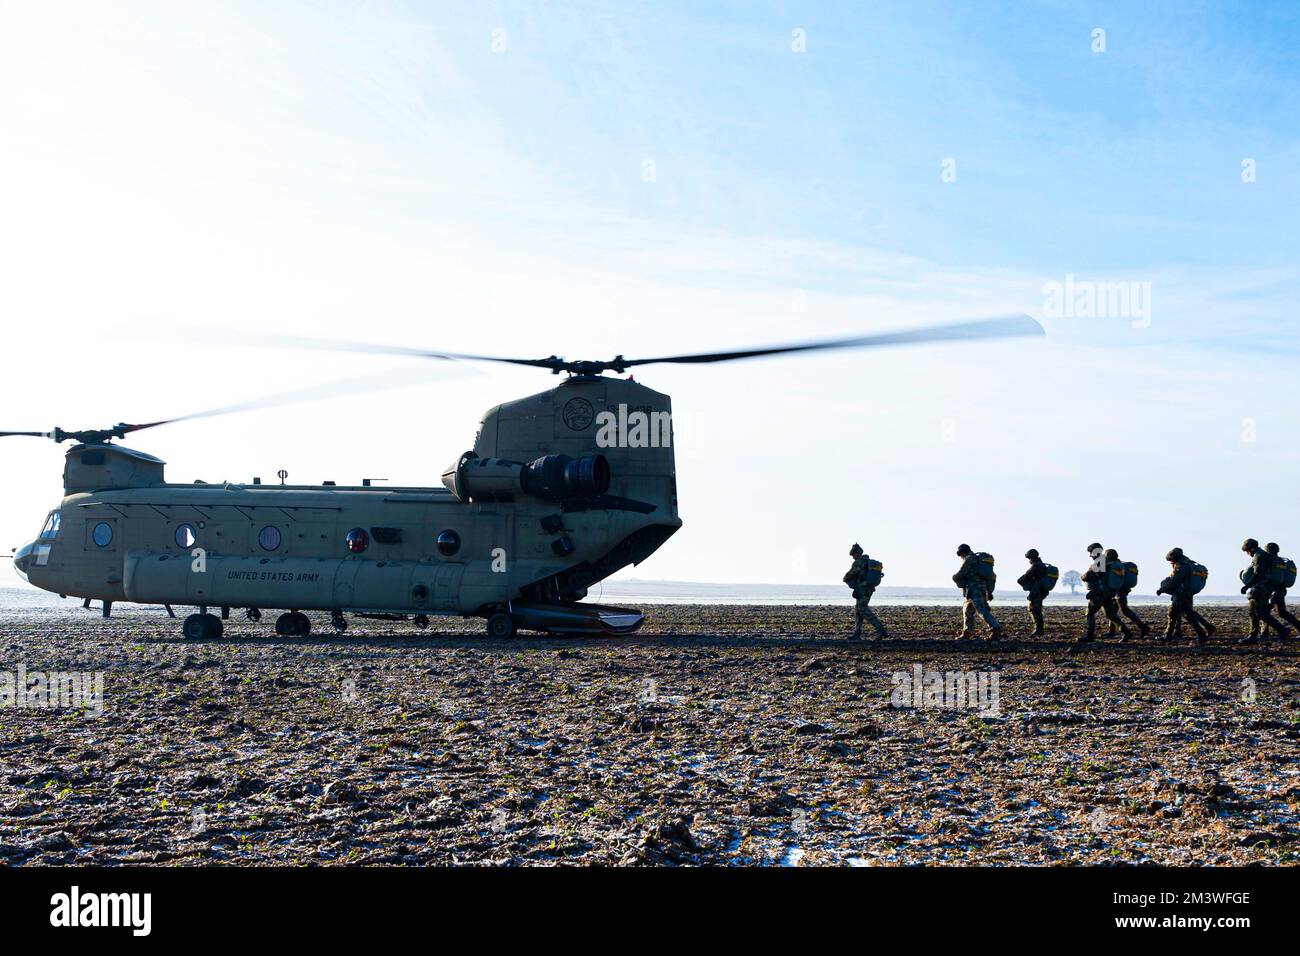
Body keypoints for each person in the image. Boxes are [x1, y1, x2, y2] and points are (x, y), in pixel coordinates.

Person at [1155, 547, 1215, 643]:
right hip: (1188, 593)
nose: (1171, 563)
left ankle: (1169, 636)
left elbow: (1175, 580)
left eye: (1171, 561)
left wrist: (1162, 589)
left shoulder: (1182, 566)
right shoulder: (1189, 563)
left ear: (1174, 559)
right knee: (1188, 613)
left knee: (1173, 613)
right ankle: (1207, 629)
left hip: (1181, 594)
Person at [1237, 538, 1290, 644]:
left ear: (1251, 549)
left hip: (1261, 589)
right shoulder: (1263, 555)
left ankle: (1282, 630)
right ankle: (1253, 636)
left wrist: (1246, 586)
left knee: (1261, 613)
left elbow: (1258, 574)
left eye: (1247, 551)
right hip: (1263, 588)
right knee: (1253, 612)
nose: (1247, 554)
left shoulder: (1259, 556)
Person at [1079, 542, 1132, 644]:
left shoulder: (1100, 561)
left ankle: (1090, 636)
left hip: (1100, 593)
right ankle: (1126, 632)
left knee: (1089, 612)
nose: (1090, 555)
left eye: (1091, 552)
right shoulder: (1106, 561)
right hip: (1108, 593)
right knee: (1111, 615)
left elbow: (1088, 576)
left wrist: (1083, 576)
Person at [953, 543, 1005, 640]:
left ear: (962, 554)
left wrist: (954, 577)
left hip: (974, 589)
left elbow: (962, 572)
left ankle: (996, 628)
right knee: (968, 610)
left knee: (981, 610)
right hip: (980, 588)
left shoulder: (969, 559)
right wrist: (989, 592)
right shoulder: (977, 559)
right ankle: (967, 633)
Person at [842, 543, 887, 641]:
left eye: (853, 555)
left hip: (863, 589)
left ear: (857, 553)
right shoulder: (867, 561)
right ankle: (857, 634)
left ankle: (881, 630)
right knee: (858, 611)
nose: (853, 557)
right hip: (866, 588)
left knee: (863, 609)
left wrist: (845, 579)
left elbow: (850, 574)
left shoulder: (859, 562)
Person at [1104, 547, 1151, 638]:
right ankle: (1111, 631)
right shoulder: (1120, 565)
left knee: (1124, 610)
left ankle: (1143, 627)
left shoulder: (1113, 565)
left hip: (1119, 592)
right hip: (1121, 591)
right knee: (1114, 611)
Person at [1265, 542, 1300, 636]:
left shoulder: (1270, 560)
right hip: (1281, 590)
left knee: (1265, 612)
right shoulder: (1281, 561)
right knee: (1282, 613)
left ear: (1267, 550)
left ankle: (1265, 632)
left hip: (1273, 591)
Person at [1016, 548, 1052, 637]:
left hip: (1037, 591)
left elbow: (1027, 576)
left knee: (1035, 609)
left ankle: (1039, 630)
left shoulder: (1036, 566)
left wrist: (1020, 581)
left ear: (1032, 558)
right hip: (1040, 590)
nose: (1029, 561)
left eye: (1029, 559)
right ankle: (1039, 629)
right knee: (1036, 609)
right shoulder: (1041, 565)